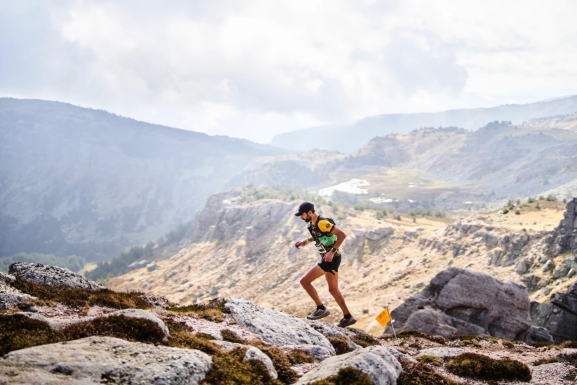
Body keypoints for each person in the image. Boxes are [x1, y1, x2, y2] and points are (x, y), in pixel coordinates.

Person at [294, 201, 356, 328]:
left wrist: (331, 252)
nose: (301, 217)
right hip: (330, 258)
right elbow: (317, 236)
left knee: (304, 281)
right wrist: (304, 242)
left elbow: (342, 235)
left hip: (331, 259)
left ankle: (320, 308)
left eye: (302, 215)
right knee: (333, 290)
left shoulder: (322, 222)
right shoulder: (312, 224)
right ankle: (348, 317)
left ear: (310, 212)